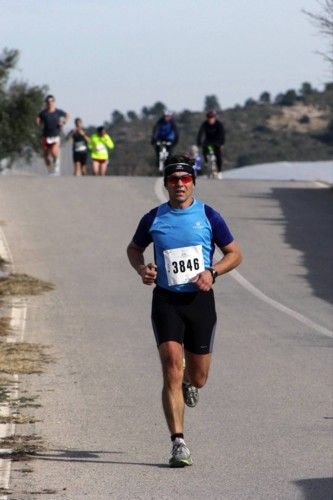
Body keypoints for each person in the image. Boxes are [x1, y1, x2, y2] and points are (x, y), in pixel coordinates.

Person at [127, 155, 242, 467]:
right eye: (174, 179)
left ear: (193, 182)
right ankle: (178, 442)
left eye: (185, 179)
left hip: (199, 302)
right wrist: (143, 269)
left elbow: (234, 253)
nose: (179, 184)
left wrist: (213, 272)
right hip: (166, 300)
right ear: (166, 183)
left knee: (198, 376)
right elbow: (134, 248)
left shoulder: (208, 216)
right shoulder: (153, 218)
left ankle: (192, 384)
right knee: (171, 368)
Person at [36, 94, 69, 175]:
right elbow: (38, 118)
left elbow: (67, 115)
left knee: (54, 152)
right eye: (48, 101)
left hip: (55, 136)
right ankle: (50, 170)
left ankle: (56, 167)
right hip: (46, 136)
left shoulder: (58, 112)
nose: (50, 103)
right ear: (46, 103)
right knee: (46, 156)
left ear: (54, 102)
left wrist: (64, 122)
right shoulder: (44, 113)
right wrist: (37, 121)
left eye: (51, 101)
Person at [196, 110, 225, 180]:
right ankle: (207, 163)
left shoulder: (219, 124)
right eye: (209, 117)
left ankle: (219, 172)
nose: (210, 119)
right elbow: (200, 133)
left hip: (217, 141)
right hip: (208, 141)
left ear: (214, 118)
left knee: (218, 156)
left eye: (212, 117)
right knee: (205, 150)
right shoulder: (205, 124)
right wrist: (199, 142)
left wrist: (221, 144)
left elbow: (222, 135)